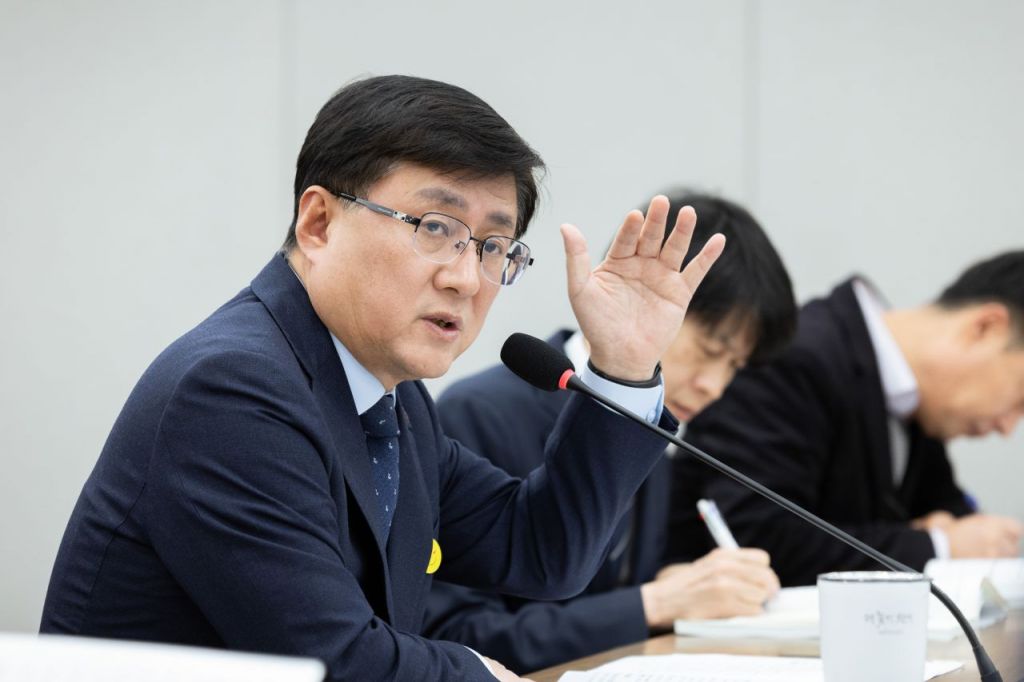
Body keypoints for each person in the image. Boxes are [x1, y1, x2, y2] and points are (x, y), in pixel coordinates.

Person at [39, 75, 727, 681]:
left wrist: (624, 365)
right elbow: (333, 660)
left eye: (493, 246)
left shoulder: (390, 401)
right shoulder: (231, 390)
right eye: (435, 227)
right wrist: (478, 674)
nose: (466, 278)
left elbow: (541, 552)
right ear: (318, 223)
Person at [422, 192, 797, 673]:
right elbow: (455, 634)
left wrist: (678, 584)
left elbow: (617, 583)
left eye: (735, 366)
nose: (715, 386)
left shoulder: (650, 417)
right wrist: (653, 603)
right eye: (709, 350)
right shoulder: (481, 413)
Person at [668, 251, 1024, 587]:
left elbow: (951, 516)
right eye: (1020, 398)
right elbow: (760, 537)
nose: (1008, 427)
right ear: (986, 328)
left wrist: (958, 533)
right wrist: (938, 545)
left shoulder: (920, 406)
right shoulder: (798, 357)